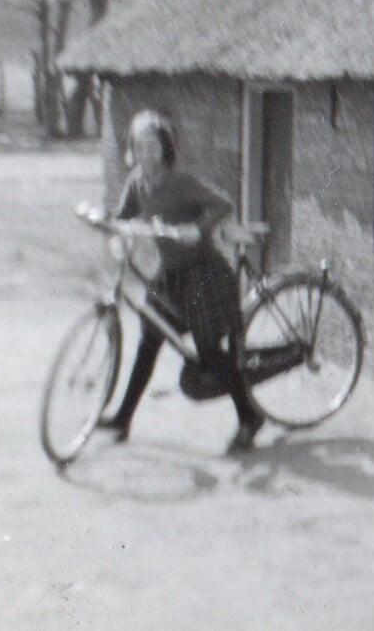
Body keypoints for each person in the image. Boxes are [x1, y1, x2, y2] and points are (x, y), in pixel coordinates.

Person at [96, 109, 266, 455]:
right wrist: (108, 225)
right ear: (133, 150)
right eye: (140, 147)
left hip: (202, 273)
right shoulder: (136, 183)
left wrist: (197, 229)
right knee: (148, 341)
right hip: (170, 276)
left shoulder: (181, 183)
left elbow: (223, 204)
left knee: (207, 353)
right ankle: (123, 418)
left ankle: (250, 416)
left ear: (165, 149)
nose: (146, 154)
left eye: (153, 147)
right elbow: (123, 216)